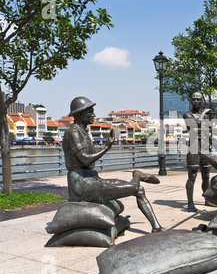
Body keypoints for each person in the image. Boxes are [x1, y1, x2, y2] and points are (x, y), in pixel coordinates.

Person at [63, 96, 165, 233]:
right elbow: (86, 159)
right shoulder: (73, 133)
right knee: (135, 187)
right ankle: (137, 175)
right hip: (82, 186)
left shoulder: (84, 132)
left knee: (139, 190)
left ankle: (156, 227)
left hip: (92, 178)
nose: (93, 115)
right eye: (90, 112)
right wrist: (106, 147)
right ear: (80, 114)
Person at [183, 92, 214, 212]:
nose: (196, 102)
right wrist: (205, 113)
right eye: (194, 99)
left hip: (205, 145)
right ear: (191, 101)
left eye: (198, 100)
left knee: (206, 176)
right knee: (192, 176)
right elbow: (196, 126)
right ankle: (190, 203)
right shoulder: (187, 115)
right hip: (194, 146)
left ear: (201, 102)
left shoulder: (206, 115)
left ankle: (207, 200)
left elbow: (208, 130)